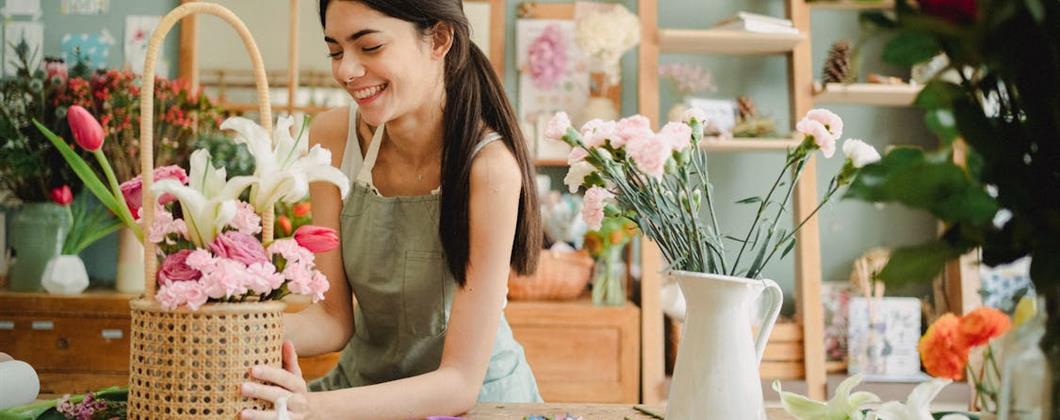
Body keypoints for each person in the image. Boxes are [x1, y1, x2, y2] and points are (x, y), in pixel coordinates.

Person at [239, 1, 543, 418]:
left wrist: (309, 408)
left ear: (439, 39)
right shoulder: (333, 138)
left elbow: (458, 383)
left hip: (476, 404)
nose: (346, 70)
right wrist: (233, 332)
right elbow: (333, 318)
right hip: (362, 392)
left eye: (370, 46)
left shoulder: (489, 169)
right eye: (335, 51)